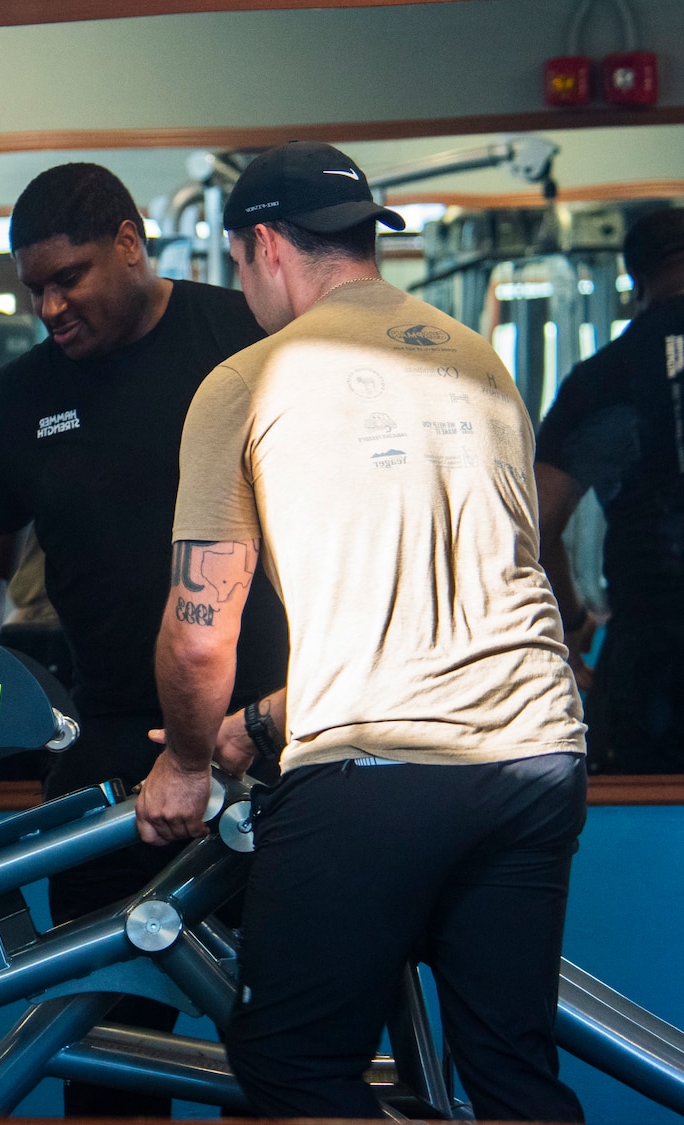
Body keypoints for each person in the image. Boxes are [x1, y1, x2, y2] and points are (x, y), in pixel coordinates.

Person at [141, 141, 587, 1119]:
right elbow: (448, 619)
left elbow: (196, 632)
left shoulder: (251, 377)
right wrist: (255, 725)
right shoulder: (478, 364)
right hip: (536, 760)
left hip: (376, 776)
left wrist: (181, 761)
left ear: (260, 245)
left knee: (292, 1070)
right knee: (510, 1071)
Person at [0, 161, 289, 1117]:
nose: (49, 306)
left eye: (70, 278)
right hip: (109, 763)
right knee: (103, 1057)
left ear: (131, 243)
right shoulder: (18, 401)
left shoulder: (245, 335)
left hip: (267, 747)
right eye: (33, 289)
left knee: (276, 1056)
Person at [536, 206, 684, 773]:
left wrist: (570, 623)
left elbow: (539, 520)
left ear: (635, 282)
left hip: (653, 653)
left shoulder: (605, 376)